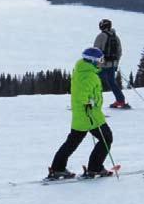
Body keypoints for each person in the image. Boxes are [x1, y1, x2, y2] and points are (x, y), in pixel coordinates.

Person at [46, 47, 114, 180]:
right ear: (92, 61)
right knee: (106, 138)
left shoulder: (80, 71)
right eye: (100, 60)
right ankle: (95, 168)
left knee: (72, 142)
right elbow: (83, 96)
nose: (101, 62)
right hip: (90, 116)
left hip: (80, 116)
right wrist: (92, 102)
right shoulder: (89, 75)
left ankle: (58, 168)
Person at [93, 19, 128, 109]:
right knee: (112, 83)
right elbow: (119, 52)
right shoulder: (116, 37)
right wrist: (115, 64)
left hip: (101, 65)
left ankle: (91, 101)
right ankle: (120, 100)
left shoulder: (100, 36)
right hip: (112, 64)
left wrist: (95, 64)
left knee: (93, 83)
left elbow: (95, 51)